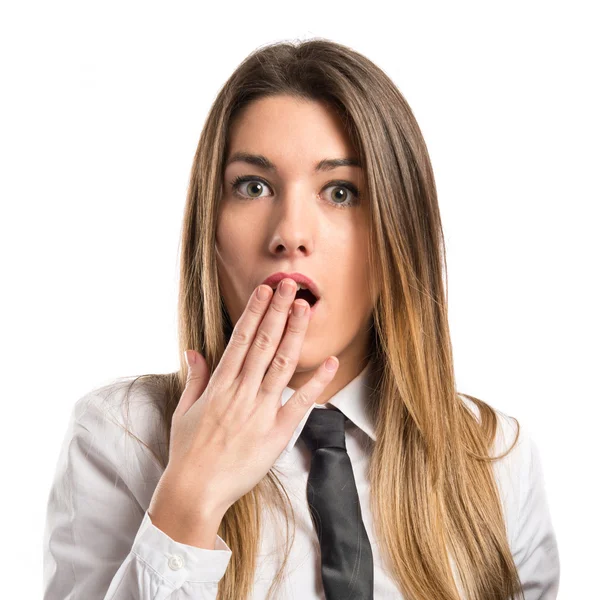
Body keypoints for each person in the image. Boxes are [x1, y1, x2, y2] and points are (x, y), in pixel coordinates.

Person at [42, 38, 560, 600]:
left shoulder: (496, 459)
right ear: (210, 233)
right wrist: (190, 499)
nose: (290, 232)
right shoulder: (121, 437)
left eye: (340, 192)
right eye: (253, 186)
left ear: (398, 235)